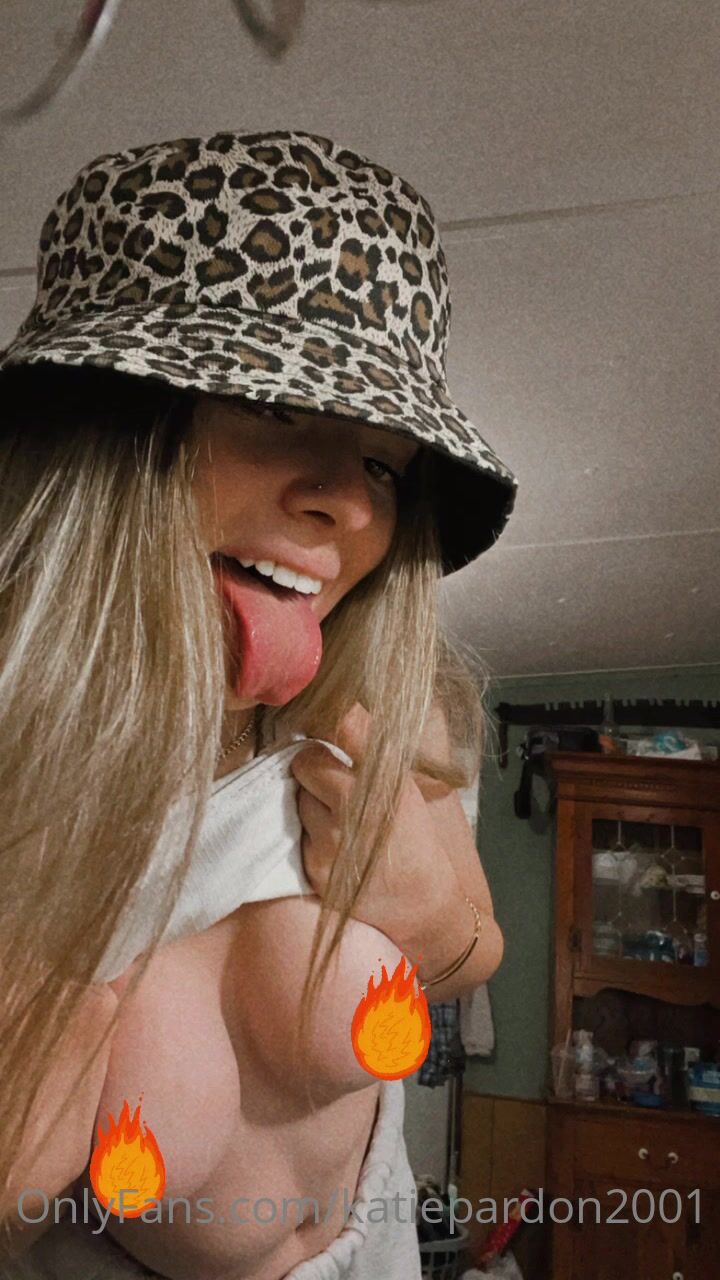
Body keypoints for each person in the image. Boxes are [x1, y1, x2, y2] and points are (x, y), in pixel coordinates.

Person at [0, 129, 517, 1278]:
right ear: (96, 435)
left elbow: (476, 948)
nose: (350, 504)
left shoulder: (392, 711)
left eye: (384, 465)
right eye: (275, 408)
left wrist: (438, 925)